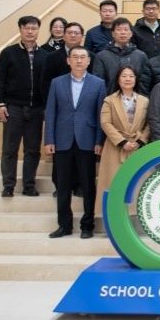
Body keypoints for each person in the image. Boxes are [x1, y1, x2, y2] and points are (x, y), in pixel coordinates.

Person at [44, 46, 107, 239]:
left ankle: (87, 225)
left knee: (88, 185)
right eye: (75, 57)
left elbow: (100, 115)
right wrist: (49, 139)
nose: (79, 60)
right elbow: (51, 112)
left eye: (82, 57)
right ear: (68, 60)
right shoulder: (57, 83)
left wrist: (99, 140)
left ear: (88, 61)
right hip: (62, 140)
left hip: (87, 140)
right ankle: (64, 225)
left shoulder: (98, 83)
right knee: (62, 185)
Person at [0, 15, 48, 198]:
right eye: (27, 28)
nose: (30, 31)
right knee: (10, 149)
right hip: (13, 108)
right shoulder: (8, 53)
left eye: (34, 28)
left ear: (38, 30)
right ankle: (8, 185)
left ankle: (29, 186)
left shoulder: (45, 56)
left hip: (36, 109)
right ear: (20, 30)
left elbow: (47, 84)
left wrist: (46, 107)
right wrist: (0, 104)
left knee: (32, 150)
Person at [40, 21, 93, 197]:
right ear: (64, 35)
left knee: (81, 155)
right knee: (61, 156)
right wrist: (53, 104)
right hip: (62, 112)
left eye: (76, 33)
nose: (73, 35)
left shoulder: (89, 56)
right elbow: (45, 83)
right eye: (69, 32)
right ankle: (61, 186)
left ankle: (78, 185)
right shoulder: (52, 57)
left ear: (82, 36)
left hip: (83, 116)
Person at [96, 66, 150, 216]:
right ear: (118, 80)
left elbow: (149, 124)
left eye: (131, 76)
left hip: (137, 147)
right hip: (115, 148)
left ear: (136, 79)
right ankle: (113, 218)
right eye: (124, 76)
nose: (128, 79)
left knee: (136, 183)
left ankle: (133, 219)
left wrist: (140, 141)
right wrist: (122, 142)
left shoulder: (144, 101)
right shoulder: (109, 100)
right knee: (113, 184)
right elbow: (105, 122)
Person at [92, 17, 149, 95]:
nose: (123, 33)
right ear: (113, 33)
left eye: (126, 30)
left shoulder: (140, 56)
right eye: (119, 30)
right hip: (109, 99)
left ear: (131, 34)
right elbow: (98, 83)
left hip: (135, 99)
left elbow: (145, 83)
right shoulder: (102, 56)